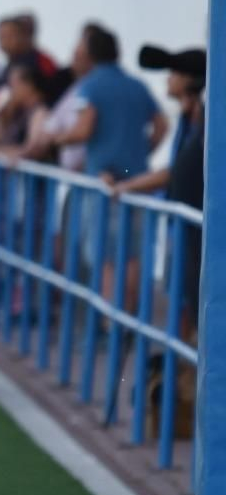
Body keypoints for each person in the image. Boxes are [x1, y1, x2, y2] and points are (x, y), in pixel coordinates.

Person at [45, 23, 169, 301]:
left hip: (105, 180)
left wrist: (55, 139)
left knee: (106, 256)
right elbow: (161, 126)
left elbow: (83, 130)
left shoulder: (90, 85)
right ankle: (128, 316)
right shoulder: (137, 85)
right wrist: (143, 152)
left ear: (90, 54)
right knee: (133, 254)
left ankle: (110, 319)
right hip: (137, 178)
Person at [117, 44, 206, 330]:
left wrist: (127, 185)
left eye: (174, 73)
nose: (168, 79)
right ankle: (181, 351)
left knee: (191, 293)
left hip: (193, 225)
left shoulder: (204, 118)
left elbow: (176, 171)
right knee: (182, 294)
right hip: (181, 222)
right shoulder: (189, 117)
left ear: (191, 81)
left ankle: (185, 353)